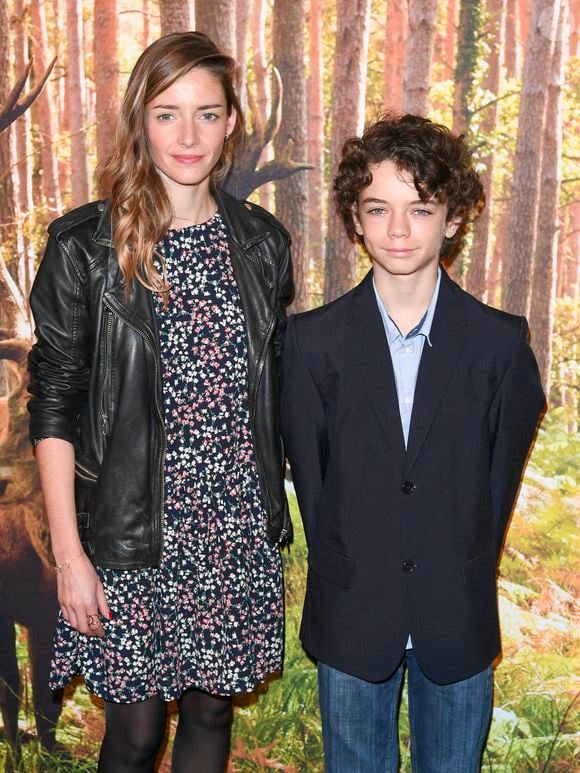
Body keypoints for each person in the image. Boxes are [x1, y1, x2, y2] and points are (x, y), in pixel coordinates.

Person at [27, 31, 292, 773]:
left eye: (207, 114)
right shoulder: (86, 245)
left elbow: (270, 394)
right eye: (168, 112)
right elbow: (53, 403)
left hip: (231, 523)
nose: (188, 134)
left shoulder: (263, 244)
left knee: (211, 711)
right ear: (140, 119)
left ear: (232, 122)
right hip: (130, 532)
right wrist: (70, 555)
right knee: (137, 733)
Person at [281, 113, 545, 772]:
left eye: (420, 209)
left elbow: (495, 489)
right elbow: (314, 488)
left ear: (452, 218)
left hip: (455, 617)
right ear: (355, 219)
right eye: (378, 208)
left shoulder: (499, 345)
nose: (398, 229)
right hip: (350, 613)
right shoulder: (311, 344)